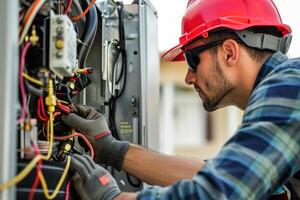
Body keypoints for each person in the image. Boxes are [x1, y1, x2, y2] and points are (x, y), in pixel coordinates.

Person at [62, 0, 300, 199]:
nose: (188, 77)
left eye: (192, 60)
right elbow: (218, 174)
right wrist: (111, 149)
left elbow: (222, 191)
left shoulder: (290, 85)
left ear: (229, 52)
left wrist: (114, 198)